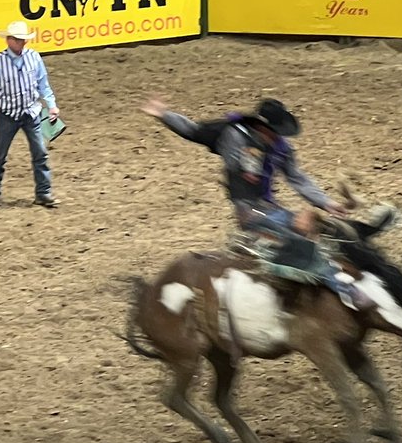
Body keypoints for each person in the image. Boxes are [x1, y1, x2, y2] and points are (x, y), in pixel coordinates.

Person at [140, 97, 373, 310]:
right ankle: (344, 290)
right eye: (275, 132)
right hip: (249, 211)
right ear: (262, 127)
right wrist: (164, 114)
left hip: (269, 207)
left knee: (320, 231)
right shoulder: (231, 135)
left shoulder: (280, 148)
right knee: (297, 242)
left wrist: (325, 202)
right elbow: (192, 130)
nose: (279, 138)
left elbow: (296, 177)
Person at [0, 21, 60, 209]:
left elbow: (43, 84)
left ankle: (43, 193)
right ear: (9, 40)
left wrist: (51, 105)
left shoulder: (34, 57)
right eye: (19, 40)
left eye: (23, 40)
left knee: (40, 153)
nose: (22, 43)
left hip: (31, 113)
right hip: (8, 115)